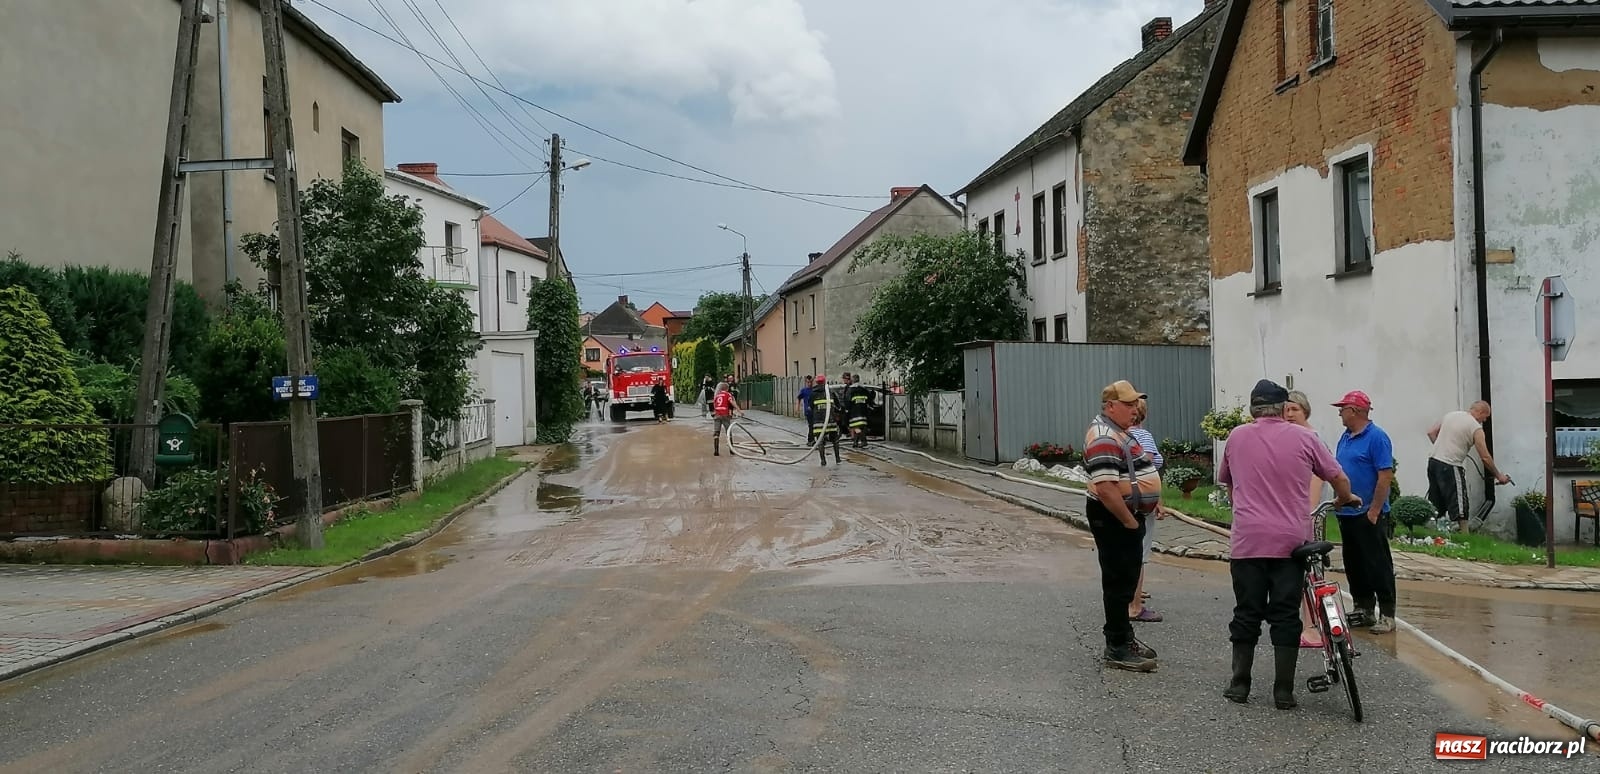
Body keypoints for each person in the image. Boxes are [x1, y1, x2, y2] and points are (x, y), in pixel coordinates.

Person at [1217, 379, 1359, 709]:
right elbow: (1338, 478)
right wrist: (1345, 497)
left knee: (1247, 611)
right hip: (1291, 543)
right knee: (1285, 614)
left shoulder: (1237, 437)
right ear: (1283, 409)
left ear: (1253, 409)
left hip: (1248, 541)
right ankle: (1283, 691)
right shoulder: (1305, 437)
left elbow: (1229, 483)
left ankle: (1240, 684)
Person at [1083, 380, 1163, 672]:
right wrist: (1130, 522)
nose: (1134, 409)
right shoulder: (1104, 435)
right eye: (1128, 404)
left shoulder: (1118, 432)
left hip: (1124, 516)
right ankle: (1117, 645)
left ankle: (1123, 638)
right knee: (1119, 581)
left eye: (1134, 404)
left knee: (1126, 579)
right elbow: (1105, 488)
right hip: (1115, 517)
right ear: (1110, 406)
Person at [1332, 390, 1398, 634]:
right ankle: (1364, 608)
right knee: (1354, 563)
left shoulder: (1377, 438)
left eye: (1343, 408)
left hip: (1369, 513)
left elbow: (1385, 476)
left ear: (1355, 411)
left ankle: (1387, 614)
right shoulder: (1346, 437)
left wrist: (1375, 510)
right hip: (1347, 513)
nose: (1339, 412)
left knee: (1377, 564)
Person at [1283, 390, 1326, 649]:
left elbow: (1317, 478)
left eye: (1294, 410)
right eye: (1286, 410)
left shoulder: (1310, 437)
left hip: (1308, 516)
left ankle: (1312, 628)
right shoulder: (1291, 437)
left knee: (1311, 572)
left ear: (1305, 411)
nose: (1289, 414)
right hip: (1292, 515)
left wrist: (1308, 513)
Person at [1426, 401, 1510, 533]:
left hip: (1433, 462)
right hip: (1451, 465)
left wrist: (1444, 448)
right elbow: (1485, 457)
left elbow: (1431, 432)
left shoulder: (1451, 415)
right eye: (1486, 417)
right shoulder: (1475, 428)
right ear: (1480, 412)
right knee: (1459, 502)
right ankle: (1464, 535)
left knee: (1436, 499)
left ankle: (1434, 532)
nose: (1485, 420)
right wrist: (1499, 476)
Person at [1127, 398, 1166, 623]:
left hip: (1123, 499)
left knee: (1126, 551)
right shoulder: (1143, 437)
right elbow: (1147, 469)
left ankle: (1131, 595)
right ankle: (1135, 605)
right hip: (1141, 501)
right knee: (1140, 552)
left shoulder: (1117, 435)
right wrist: (1156, 500)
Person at [809, 375, 842, 466]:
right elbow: (838, 406)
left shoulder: (813, 393)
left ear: (816, 382)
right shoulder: (830, 392)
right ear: (824, 382)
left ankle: (823, 460)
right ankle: (838, 459)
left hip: (818, 421)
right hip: (830, 421)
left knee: (820, 441)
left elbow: (811, 406)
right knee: (835, 440)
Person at [710, 382, 741, 456]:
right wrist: (738, 410)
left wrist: (714, 414)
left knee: (716, 432)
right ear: (727, 388)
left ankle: (716, 451)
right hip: (725, 415)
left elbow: (714, 404)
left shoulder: (717, 395)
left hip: (717, 415)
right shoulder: (728, 394)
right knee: (728, 432)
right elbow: (732, 402)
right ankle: (731, 450)